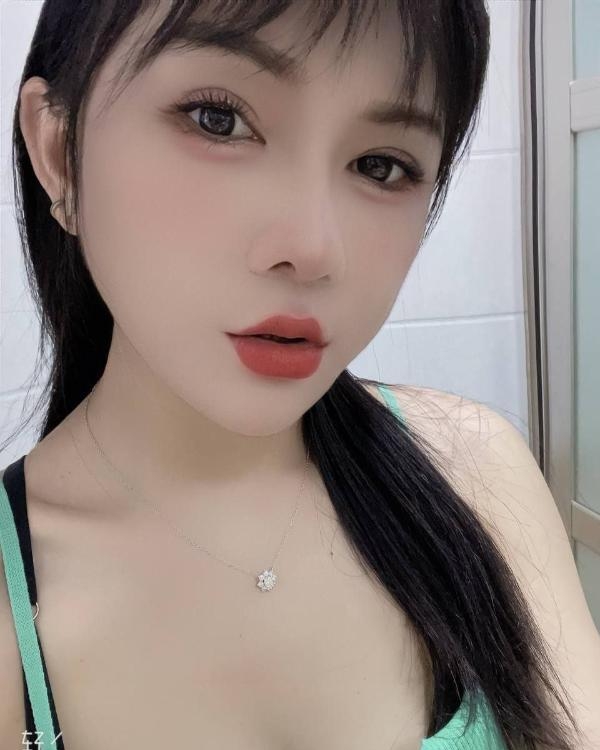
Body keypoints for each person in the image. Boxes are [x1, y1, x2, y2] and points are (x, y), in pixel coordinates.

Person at [0, 1, 598, 748]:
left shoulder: (473, 471)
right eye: (218, 119)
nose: (314, 249)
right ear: (59, 150)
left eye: (382, 165)